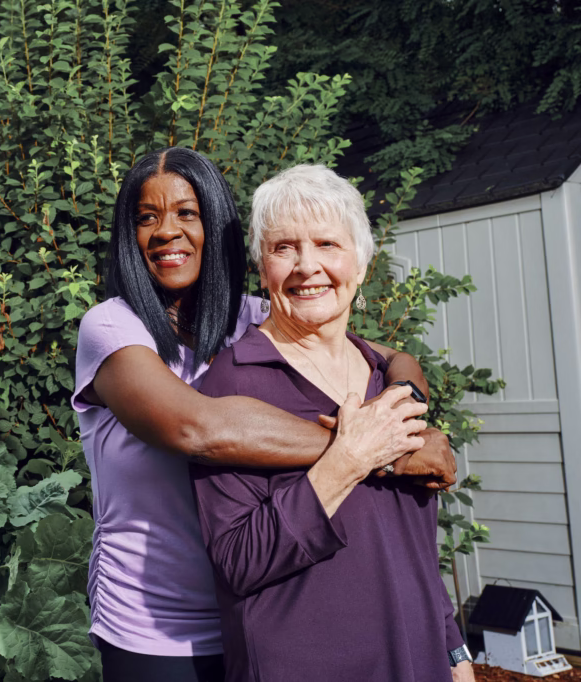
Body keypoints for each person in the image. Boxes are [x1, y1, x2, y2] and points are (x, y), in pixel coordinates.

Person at [72, 146, 458, 682]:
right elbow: (199, 428)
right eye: (146, 217)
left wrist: (406, 406)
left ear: (217, 225)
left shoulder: (253, 317)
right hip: (158, 625)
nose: (166, 231)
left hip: (262, 615)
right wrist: (374, 451)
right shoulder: (112, 327)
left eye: (187, 213)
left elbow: (393, 356)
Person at [190, 164, 474, 681]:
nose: (307, 266)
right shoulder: (233, 384)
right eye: (284, 248)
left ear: (360, 265)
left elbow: (412, 547)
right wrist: (347, 460)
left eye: (327, 244)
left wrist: (453, 650)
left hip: (416, 661)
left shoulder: (384, 381)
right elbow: (237, 562)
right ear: (262, 269)